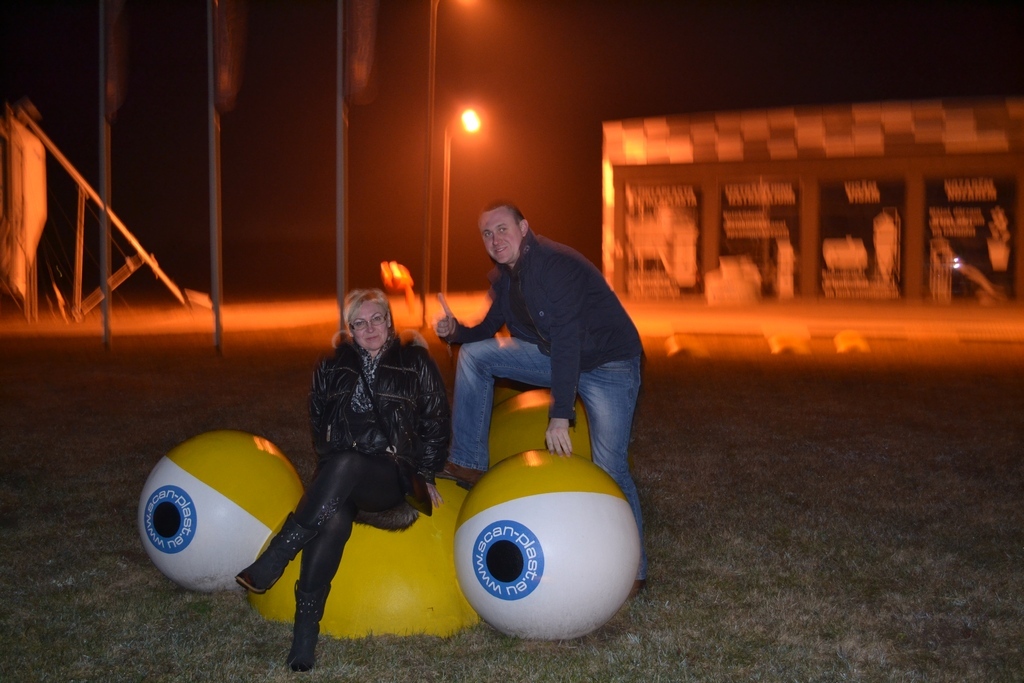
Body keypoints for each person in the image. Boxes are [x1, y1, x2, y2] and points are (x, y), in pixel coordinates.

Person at [433, 200, 647, 595]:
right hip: (557, 355)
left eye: (502, 228)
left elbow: (567, 340)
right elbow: (488, 328)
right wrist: (454, 331)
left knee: (611, 467)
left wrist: (560, 415)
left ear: (524, 227)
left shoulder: (554, 266)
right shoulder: (507, 276)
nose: (495, 239)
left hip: (610, 366)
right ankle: (468, 463)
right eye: (486, 233)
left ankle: (633, 570)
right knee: (476, 356)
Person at [236, 288, 451, 671]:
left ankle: (277, 555)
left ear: (389, 321)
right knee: (333, 517)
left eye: (377, 319)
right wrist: (331, 459)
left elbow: (437, 420)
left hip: (391, 475)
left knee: (349, 462)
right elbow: (318, 419)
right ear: (350, 330)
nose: (370, 328)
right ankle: (305, 636)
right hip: (341, 475)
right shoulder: (332, 365)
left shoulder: (415, 361)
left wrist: (426, 472)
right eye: (359, 323)